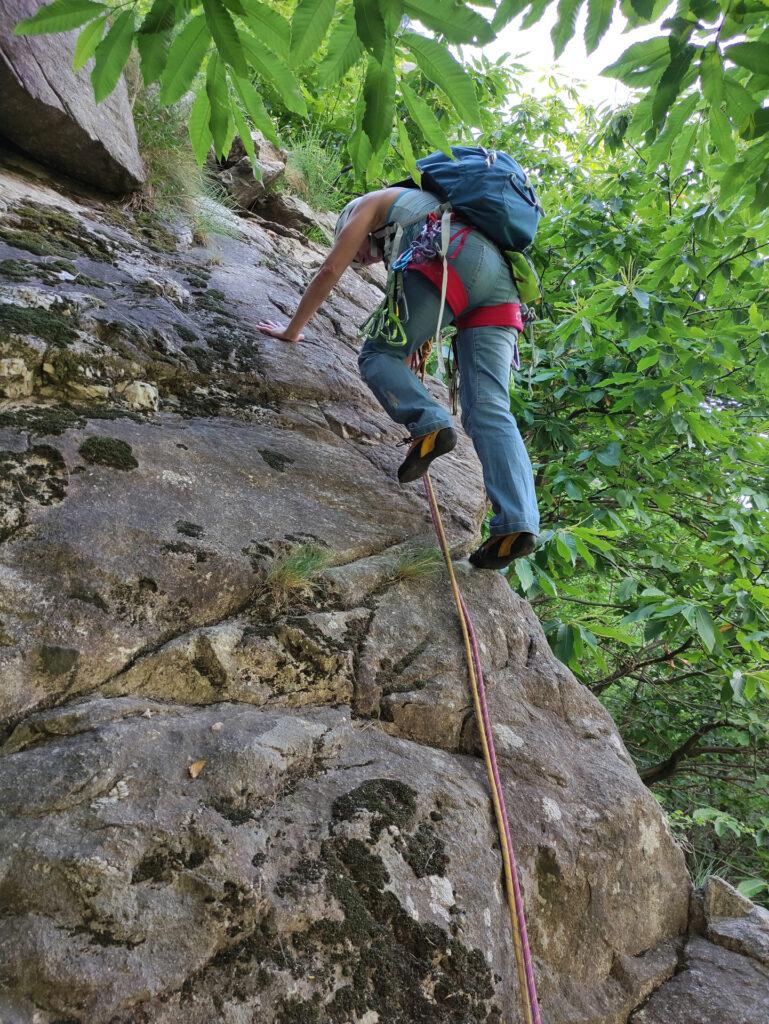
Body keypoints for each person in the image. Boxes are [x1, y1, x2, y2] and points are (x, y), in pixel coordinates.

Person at [256, 184, 539, 570]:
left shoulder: (368, 205)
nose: (360, 259)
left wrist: (292, 330)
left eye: (358, 251)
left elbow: (329, 269)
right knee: (489, 408)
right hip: (503, 284)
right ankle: (517, 524)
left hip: (454, 252)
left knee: (377, 355)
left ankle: (430, 425)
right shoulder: (424, 210)